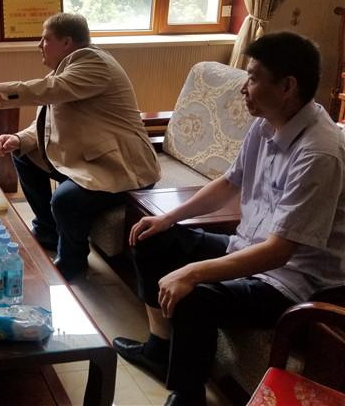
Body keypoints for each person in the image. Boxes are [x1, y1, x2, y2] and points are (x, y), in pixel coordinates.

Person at [113, 31, 345, 406]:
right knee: (149, 238)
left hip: (291, 283)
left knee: (194, 297)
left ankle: (187, 396)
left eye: (252, 78)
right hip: (247, 248)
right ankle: (159, 350)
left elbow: (279, 252)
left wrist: (192, 273)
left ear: (287, 86)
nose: (243, 88)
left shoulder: (320, 153)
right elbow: (229, 183)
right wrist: (168, 218)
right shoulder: (266, 123)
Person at [0, 12, 160, 280]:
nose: (39, 45)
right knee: (23, 153)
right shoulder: (67, 71)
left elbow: (51, 89)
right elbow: (46, 122)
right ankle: (48, 232)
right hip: (91, 160)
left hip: (123, 168)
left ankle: (73, 264)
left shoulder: (94, 63)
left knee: (65, 200)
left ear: (67, 42)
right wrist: (19, 139)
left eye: (45, 39)